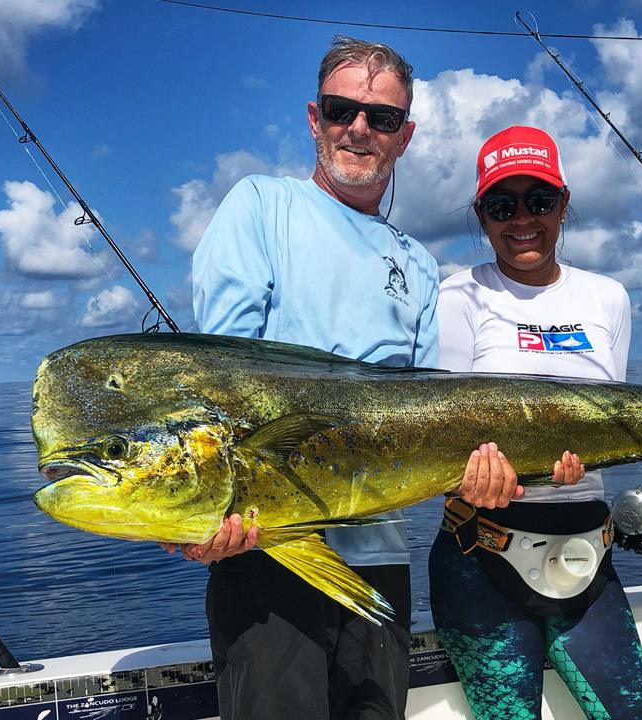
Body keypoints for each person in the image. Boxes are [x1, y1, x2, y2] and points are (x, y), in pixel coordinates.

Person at [428, 125, 642, 720]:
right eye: (501, 205)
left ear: (564, 204)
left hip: (589, 556)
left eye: (538, 201)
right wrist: (475, 477)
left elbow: (611, 430)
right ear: (481, 214)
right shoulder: (457, 297)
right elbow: (443, 439)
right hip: (480, 558)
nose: (522, 219)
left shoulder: (608, 299)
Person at [180, 36, 437, 720]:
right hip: (272, 555)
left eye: (381, 118)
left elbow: (429, 409)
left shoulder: (421, 264)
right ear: (313, 117)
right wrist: (197, 515)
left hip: (382, 563)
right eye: (341, 109)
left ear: (403, 136)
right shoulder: (262, 205)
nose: (359, 128)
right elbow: (219, 384)